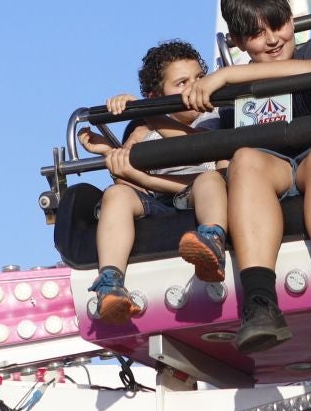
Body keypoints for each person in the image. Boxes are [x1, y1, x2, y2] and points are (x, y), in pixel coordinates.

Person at [179, 0, 311, 353]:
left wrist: (227, 74)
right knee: (244, 160)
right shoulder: (229, 98)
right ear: (239, 42)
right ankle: (260, 304)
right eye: (257, 35)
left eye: (278, 26)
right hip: (272, 171)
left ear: (292, 21)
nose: (273, 40)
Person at [82, 41, 229, 326]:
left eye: (200, 78)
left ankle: (211, 242)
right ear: (156, 95)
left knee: (210, 180)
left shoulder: (215, 117)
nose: (194, 87)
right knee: (117, 195)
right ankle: (110, 283)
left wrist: (144, 110)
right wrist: (108, 152)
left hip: (197, 188)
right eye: (182, 82)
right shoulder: (143, 131)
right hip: (156, 198)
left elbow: (194, 147)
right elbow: (129, 177)